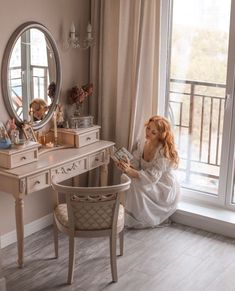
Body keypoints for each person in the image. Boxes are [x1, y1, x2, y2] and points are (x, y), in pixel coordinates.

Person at [115, 115, 180, 228]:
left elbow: (152, 178)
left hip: (162, 185)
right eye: (148, 128)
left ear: (160, 135)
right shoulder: (143, 143)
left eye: (153, 132)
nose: (148, 133)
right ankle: (123, 213)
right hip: (148, 178)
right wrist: (127, 162)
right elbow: (136, 163)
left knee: (133, 181)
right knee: (126, 176)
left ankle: (138, 218)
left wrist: (129, 170)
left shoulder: (163, 152)